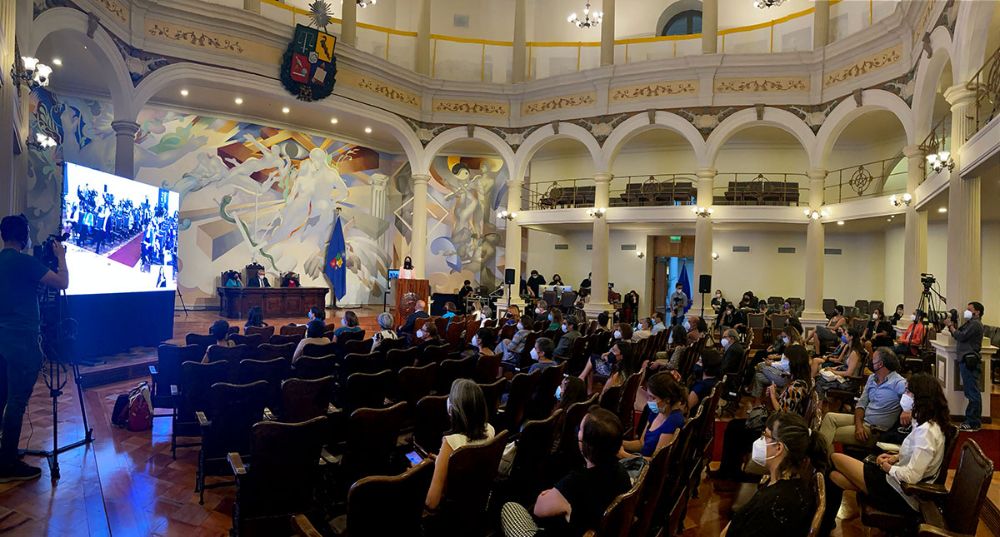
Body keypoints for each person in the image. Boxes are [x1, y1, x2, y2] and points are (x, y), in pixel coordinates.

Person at [0, 215, 70, 482]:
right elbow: (62, 282)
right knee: (17, 402)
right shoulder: (26, 263)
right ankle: (7, 465)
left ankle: (4, 451)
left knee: (1, 398)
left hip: (1, 340)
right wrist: (61, 256)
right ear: (23, 236)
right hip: (22, 342)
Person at [500, 407, 631, 537]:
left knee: (510, 507)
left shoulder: (576, 483)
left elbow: (538, 509)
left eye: (580, 429)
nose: (578, 432)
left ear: (584, 444)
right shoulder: (622, 472)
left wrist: (552, 496)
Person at [712, 346, 813, 485]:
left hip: (781, 431)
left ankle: (730, 472)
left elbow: (783, 414)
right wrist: (775, 396)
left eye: (787, 360)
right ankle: (729, 470)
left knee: (735, 430)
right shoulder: (797, 381)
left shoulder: (797, 386)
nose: (785, 363)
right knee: (734, 426)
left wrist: (772, 396)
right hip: (779, 425)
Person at [720, 412, 828, 537]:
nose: (760, 441)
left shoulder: (774, 506)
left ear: (778, 448)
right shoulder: (786, 482)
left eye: (765, 435)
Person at [817, 347, 908, 455]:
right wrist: (859, 425)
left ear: (880, 364)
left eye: (873, 359)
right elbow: (861, 403)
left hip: (876, 430)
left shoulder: (898, 382)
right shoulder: (872, 378)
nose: (870, 361)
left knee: (833, 434)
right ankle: (822, 462)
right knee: (829, 418)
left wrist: (908, 410)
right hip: (864, 421)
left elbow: (916, 395)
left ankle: (820, 464)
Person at [426, 380, 496, 510]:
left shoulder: (450, 442)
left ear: (451, 409)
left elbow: (432, 502)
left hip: (452, 512)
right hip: (477, 503)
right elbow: (470, 463)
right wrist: (441, 462)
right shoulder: (490, 430)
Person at [620, 372, 686, 458]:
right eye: (648, 396)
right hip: (640, 458)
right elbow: (641, 444)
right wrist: (618, 443)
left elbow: (655, 461)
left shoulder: (673, 421)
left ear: (667, 400)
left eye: (653, 397)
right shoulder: (656, 411)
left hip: (647, 467)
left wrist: (624, 455)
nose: (649, 401)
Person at [943, 301, 984, 432]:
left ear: (977, 312)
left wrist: (950, 326)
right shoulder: (970, 323)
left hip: (969, 360)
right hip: (965, 359)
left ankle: (973, 422)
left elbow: (960, 336)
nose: (966, 311)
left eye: (969, 309)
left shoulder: (976, 324)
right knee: (970, 391)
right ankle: (972, 420)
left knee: (972, 392)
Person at [813, 328, 866, 399]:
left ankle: (818, 406)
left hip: (849, 382)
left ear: (851, 337)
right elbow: (845, 365)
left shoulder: (855, 353)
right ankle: (821, 402)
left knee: (819, 382)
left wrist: (833, 371)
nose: (843, 335)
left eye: (845, 334)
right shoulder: (850, 348)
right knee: (819, 377)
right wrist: (832, 368)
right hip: (845, 378)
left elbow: (849, 373)